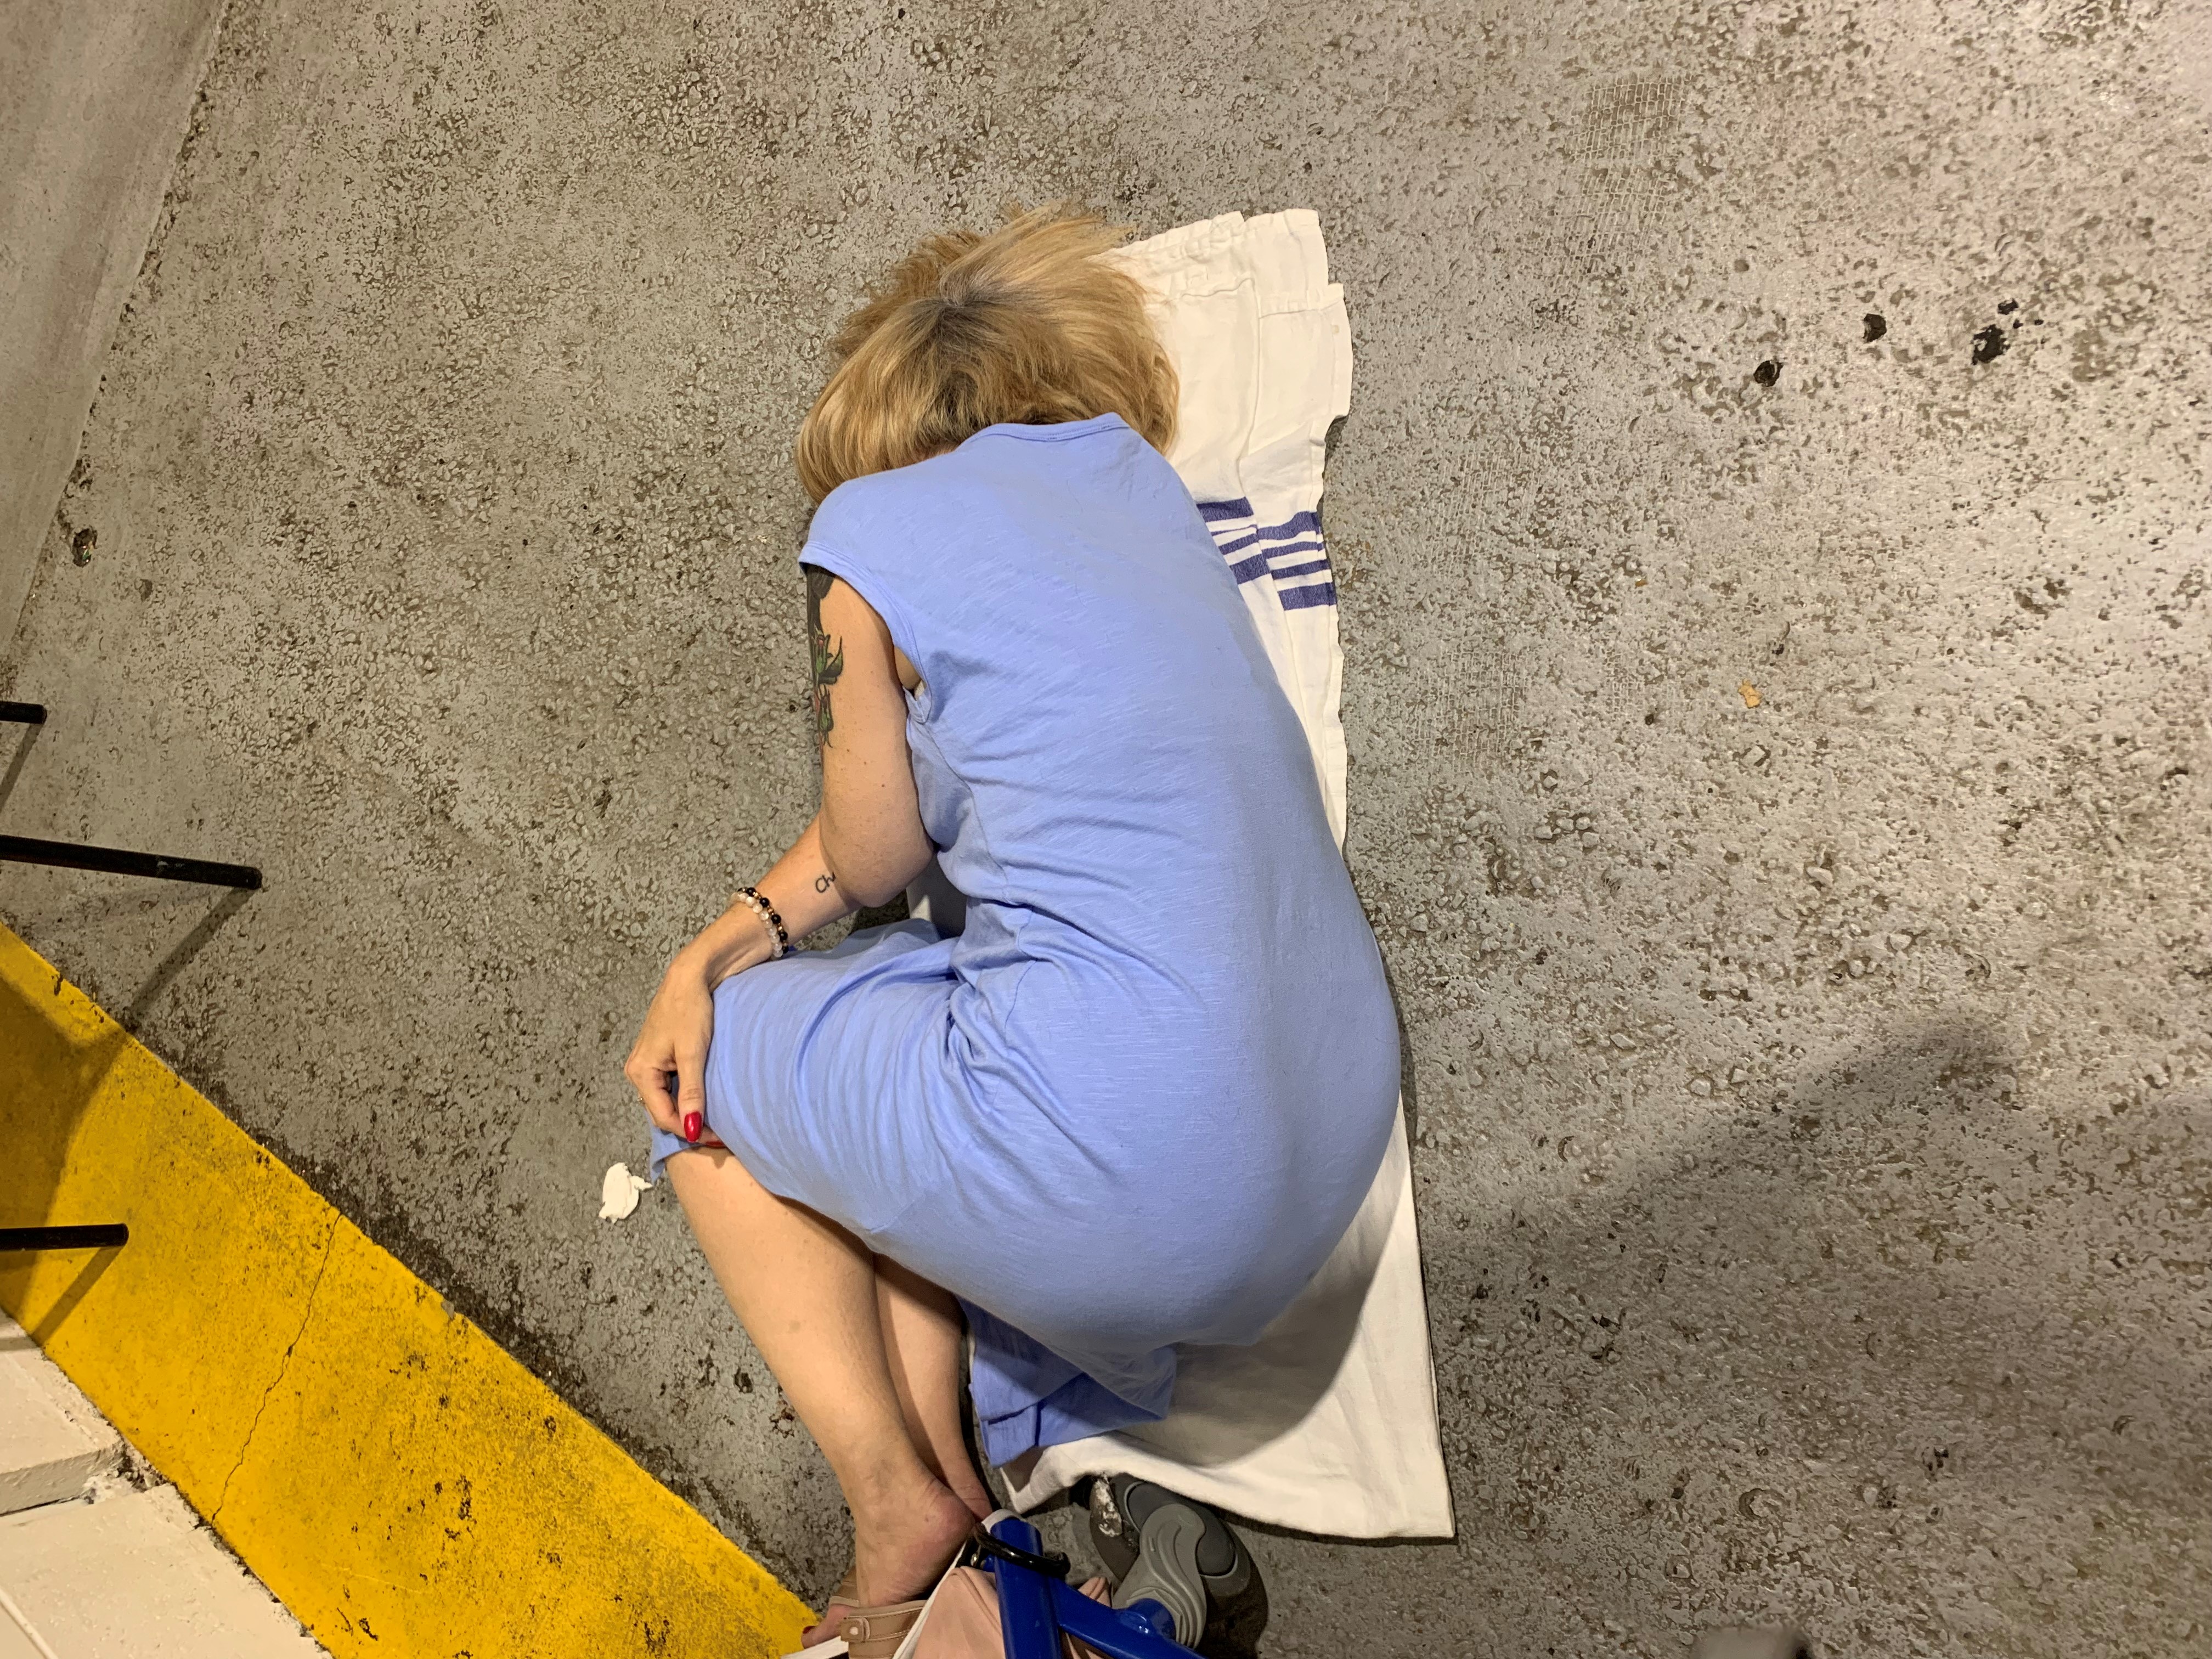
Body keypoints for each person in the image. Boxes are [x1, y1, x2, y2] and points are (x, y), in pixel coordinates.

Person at [623, 205, 1399, 1645]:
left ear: (876, 430)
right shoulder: (1138, 484)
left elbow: (870, 852)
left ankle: (891, 1498)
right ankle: (957, 1474)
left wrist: (702, 964)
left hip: (1142, 1197)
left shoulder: (864, 535)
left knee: (696, 1074)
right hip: (1323, 1163)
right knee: (912, 1008)